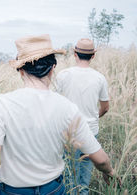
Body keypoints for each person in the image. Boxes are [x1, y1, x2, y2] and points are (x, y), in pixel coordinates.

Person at [0, 34, 115, 195]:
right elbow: (101, 159)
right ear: (53, 68)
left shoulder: (1, 104)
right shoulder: (68, 108)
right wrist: (109, 172)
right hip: (53, 189)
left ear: (20, 70)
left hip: (12, 191)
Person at [56, 38, 110, 195]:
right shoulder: (100, 78)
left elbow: (53, 103)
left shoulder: (63, 75)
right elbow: (105, 107)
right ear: (93, 56)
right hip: (90, 133)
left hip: (68, 134)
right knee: (84, 182)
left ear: (75, 54)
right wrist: (92, 119)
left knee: (69, 180)